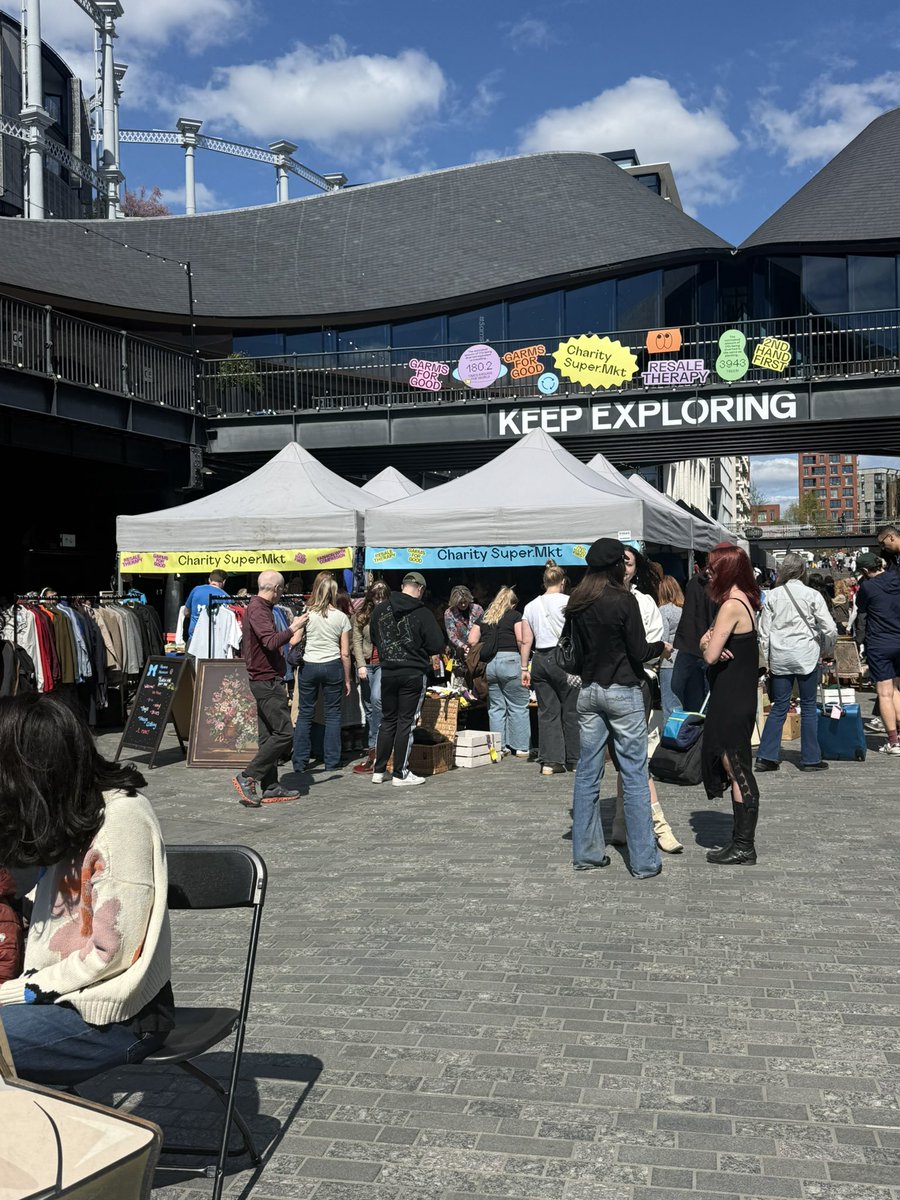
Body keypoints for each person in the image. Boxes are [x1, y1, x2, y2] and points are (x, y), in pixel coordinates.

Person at [0, 693, 173, 1085]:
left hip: (116, 1013)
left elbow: (111, 956)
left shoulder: (121, 821)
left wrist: (14, 992)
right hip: (56, 994)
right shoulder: (72, 810)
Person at [567, 538, 667, 878]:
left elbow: (574, 651)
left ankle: (587, 853)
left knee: (587, 773)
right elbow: (640, 650)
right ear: (615, 565)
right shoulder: (624, 600)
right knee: (635, 774)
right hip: (623, 689)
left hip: (589, 690)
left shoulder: (578, 600)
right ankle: (644, 861)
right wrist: (661, 647)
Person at [610, 547, 682, 855]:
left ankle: (651, 824)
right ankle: (627, 823)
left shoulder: (644, 602)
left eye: (627, 562)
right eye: (618, 562)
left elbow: (653, 645)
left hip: (636, 684)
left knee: (633, 758)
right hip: (606, 687)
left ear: (635, 568)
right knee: (625, 757)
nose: (622, 567)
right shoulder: (598, 598)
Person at [700, 544, 762, 866]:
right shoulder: (744, 601)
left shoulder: (731, 605)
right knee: (735, 765)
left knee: (737, 768)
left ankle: (744, 845)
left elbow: (710, 654)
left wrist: (707, 644)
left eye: (712, 568)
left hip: (731, 698)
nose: (708, 573)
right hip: (738, 695)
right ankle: (741, 841)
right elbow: (708, 642)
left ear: (726, 570)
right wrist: (708, 641)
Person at [756, 552, 837, 773]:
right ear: (803, 571)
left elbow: (764, 632)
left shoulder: (772, 596)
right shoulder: (812, 595)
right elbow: (830, 628)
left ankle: (766, 756)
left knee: (779, 706)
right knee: (809, 706)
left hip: (780, 656)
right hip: (807, 654)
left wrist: (767, 659)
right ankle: (811, 758)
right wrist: (826, 649)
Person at [232, 571, 307, 808]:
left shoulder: (260, 607)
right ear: (275, 589)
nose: (282, 594)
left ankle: (271, 785)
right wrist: (294, 627)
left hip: (264, 678)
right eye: (282, 589)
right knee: (284, 733)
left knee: (268, 736)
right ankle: (248, 776)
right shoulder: (258, 609)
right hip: (265, 679)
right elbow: (271, 641)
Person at [370, 571, 445, 787]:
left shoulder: (380, 610)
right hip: (412, 672)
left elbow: (374, 637)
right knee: (406, 722)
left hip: (388, 671)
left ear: (403, 586)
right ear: (420, 589)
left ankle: (379, 770)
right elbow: (436, 644)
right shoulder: (422, 612)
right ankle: (400, 773)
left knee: (388, 720)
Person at [521, 562, 579, 775]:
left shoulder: (530, 606)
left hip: (540, 659)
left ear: (544, 582)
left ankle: (551, 762)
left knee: (547, 712)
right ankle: (575, 759)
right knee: (571, 710)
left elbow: (526, 640)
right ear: (563, 582)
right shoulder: (570, 602)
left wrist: (524, 667)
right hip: (564, 659)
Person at [292, 575, 352, 774]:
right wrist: (347, 679)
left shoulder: (307, 613)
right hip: (332, 665)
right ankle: (332, 761)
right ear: (334, 593)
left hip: (309, 665)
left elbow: (294, 641)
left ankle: (299, 761)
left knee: (305, 713)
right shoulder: (342, 618)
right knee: (333, 714)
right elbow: (345, 653)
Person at [468, 586, 531, 758]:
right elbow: (520, 639)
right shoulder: (515, 615)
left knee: (496, 707)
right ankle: (521, 747)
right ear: (512, 603)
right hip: (511, 661)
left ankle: (499, 747)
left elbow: (472, 639)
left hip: (490, 664)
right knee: (518, 705)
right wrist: (524, 663)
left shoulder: (485, 617)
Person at [855, 551, 900, 755]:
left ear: (865, 571)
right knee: (896, 690)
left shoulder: (867, 587)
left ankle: (893, 740)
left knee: (884, 693)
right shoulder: (897, 579)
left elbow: (861, 608)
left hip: (880, 642)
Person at [351, 580, 391, 774]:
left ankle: (375, 749)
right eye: (376, 597)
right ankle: (373, 750)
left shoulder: (390, 614)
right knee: (368, 708)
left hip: (383, 663)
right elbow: (356, 641)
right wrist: (360, 664)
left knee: (377, 701)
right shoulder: (361, 615)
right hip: (367, 664)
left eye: (382, 597)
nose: (379, 600)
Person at [671, 554, 717, 713]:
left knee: (687, 694)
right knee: (708, 696)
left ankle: (686, 725)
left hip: (688, 643)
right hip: (708, 643)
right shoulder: (718, 585)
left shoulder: (693, 582)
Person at [657, 575, 684, 726]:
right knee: (683, 706)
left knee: (670, 708)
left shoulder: (663, 610)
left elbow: (664, 638)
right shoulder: (684, 610)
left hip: (669, 662)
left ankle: (671, 738)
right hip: (685, 661)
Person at [182, 570, 229, 640]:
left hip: (195, 637)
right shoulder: (226, 597)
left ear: (209, 580)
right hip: (215, 640)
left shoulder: (196, 590)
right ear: (224, 581)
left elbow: (186, 613)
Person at [444, 586, 484, 663]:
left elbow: (484, 629)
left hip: (477, 650)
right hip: (458, 651)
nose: (463, 605)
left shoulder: (478, 609)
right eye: (460, 602)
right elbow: (452, 635)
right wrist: (463, 646)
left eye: (465, 602)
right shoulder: (449, 613)